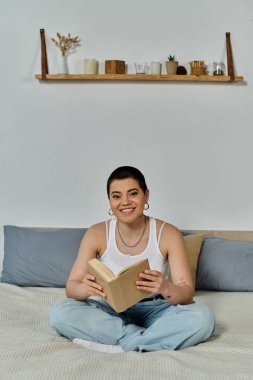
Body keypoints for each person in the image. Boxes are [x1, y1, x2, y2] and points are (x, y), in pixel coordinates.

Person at [50, 166, 215, 353]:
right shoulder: (95, 233)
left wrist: (165, 287)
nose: (125, 202)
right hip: (109, 310)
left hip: (156, 309)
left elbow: (186, 294)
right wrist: (83, 289)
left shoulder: (168, 234)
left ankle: (119, 344)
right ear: (110, 201)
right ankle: (142, 340)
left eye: (133, 193)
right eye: (116, 196)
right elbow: (71, 287)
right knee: (60, 313)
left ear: (146, 196)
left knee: (203, 317)